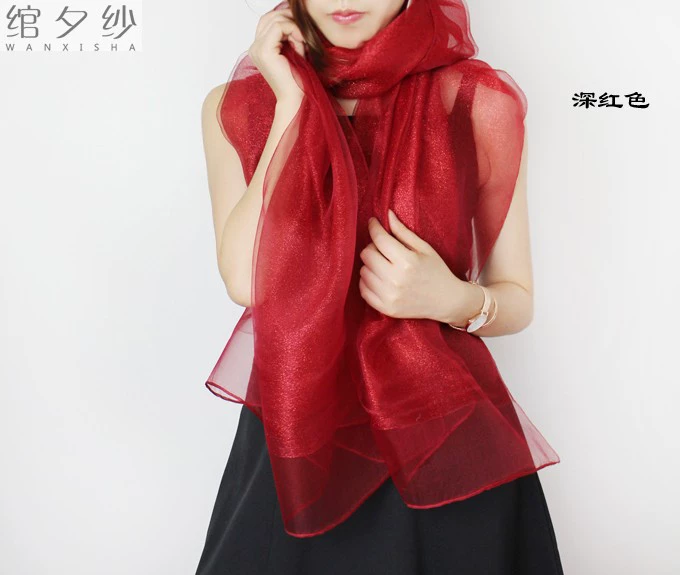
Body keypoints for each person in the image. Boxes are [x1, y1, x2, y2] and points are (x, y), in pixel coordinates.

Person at [195, 0, 565, 573]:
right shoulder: (239, 105)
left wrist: (450, 298)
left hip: (443, 437)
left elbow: (516, 295)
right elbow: (245, 280)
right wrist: (292, 104)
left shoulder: (471, 99)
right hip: (296, 434)